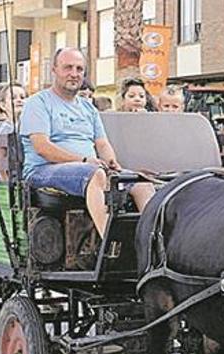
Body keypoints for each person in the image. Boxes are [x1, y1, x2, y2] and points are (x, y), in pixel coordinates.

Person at [19, 47, 155, 236]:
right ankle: (110, 243)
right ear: (54, 70)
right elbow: (42, 147)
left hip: (87, 168)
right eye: (68, 68)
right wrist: (84, 161)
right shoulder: (38, 103)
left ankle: (150, 244)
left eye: (79, 69)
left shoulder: (88, 108)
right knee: (95, 174)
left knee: (141, 182)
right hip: (43, 170)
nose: (74, 74)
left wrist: (111, 162)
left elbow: (101, 143)